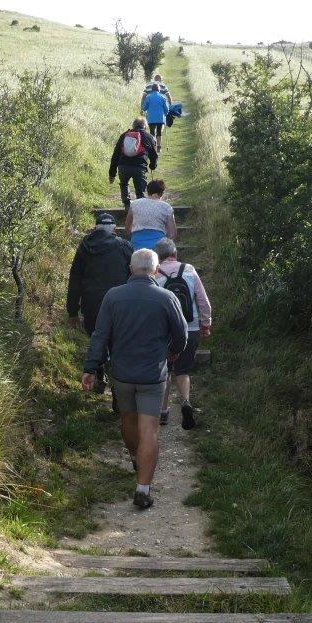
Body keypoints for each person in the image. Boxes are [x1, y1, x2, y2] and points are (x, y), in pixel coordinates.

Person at [83, 248, 188, 510]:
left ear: (130, 269)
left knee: (128, 420)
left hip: (122, 374)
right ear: (155, 270)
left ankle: (134, 456)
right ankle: (143, 488)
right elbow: (182, 335)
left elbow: (100, 335)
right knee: (149, 430)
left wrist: (90, 367)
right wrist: (173, 352)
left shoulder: (113, 296)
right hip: (153, 374)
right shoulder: (167, 297)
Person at [67, 212, 134, 391]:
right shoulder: (125, 246)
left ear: (95, 228)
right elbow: (134, 275)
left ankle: (99, 369)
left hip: (92, 305)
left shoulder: (84, 247)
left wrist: (72, 310)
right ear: (113, 229)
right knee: (118, 342)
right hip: (120, 303)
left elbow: (75, 280)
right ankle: (118, 390)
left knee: (97, 338)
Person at [152, 238, 212, 429]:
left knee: (165, 370)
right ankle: (186, 402)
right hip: (190, 327)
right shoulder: (189, 269)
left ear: (157, 256)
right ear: (175, 253)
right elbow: (203, 300)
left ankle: (162, 411)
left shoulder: (154, 274)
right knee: (183, 370)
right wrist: (206, 324)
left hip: (164, 331)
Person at [108, 117, 159, 212]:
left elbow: (115, 154)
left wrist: (112, 173)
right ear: (145, 126)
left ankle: (127, 205)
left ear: (133, 125)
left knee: (124, 184)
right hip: (139, 167)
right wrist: (153, 165)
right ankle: (140, 208)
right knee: (140, 188)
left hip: (123, 166)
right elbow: (154, 155)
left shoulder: (124, 135)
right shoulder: (148, 136)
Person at [122, 179, 177, 252]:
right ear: (161, 193)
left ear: (147, 191)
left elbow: (127, 227)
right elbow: (172, 234)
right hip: (158, 246)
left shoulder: (134, 204)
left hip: (137, 244)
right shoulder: (167, 207)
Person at [141, 84, 170, 151]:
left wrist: (144, 110)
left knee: (152, 132)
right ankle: (159, 147)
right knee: (159, 132)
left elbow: (144, 108)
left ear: (152, 90)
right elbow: (166, 109)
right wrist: (165, 113)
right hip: (160, 118)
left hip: (151, 118)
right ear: (159, 90)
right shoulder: (163, 98)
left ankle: (153, 146)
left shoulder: (148, 97)